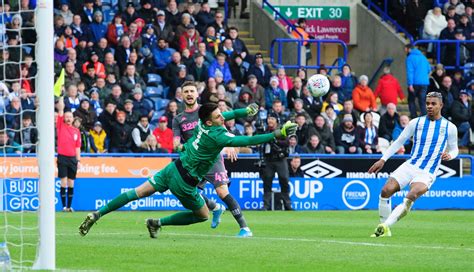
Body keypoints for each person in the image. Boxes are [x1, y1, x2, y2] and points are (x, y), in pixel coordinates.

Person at [79, 99, 297, 238]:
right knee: (202, 215)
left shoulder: (203, 123)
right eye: (219, 116)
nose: (223, 117)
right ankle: (157, 223)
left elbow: (225, 116)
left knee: (136, 192)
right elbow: (250, 140)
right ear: (211, 122)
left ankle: (97, 214)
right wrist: (278, 134)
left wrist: (243, 111)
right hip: (185, 183)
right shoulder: (218, 135)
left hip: (173, 168)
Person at [171, 81, 257, 236]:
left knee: (222, 191)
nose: (189, 94)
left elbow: (222, 125)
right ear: (181, 95)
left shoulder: (206, 111)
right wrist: (181, 147)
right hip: (194, 161)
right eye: (186, 92)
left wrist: (230, 144)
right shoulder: (178, 119)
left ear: (197, 94)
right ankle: (215, 207)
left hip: (212, 159)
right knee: (187, 192)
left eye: (192, 91)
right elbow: (176, 143)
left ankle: (244, 228)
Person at [369, 92, 458, 237]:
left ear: (441, 105)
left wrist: (450, 155)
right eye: (427, 103)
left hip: (428, 171)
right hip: (410, 165)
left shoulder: (450, 127)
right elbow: (399, 141)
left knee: (411, 195)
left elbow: (455, 149)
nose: (429, 106)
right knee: (385, 191)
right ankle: (385, 229)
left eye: (433, 104)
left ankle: (384, 226)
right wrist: (383, 159)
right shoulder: (416, 122)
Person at [56, 97, 81, 212]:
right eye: (66, 117)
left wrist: (78, 160)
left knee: (71, 183)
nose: (68, 118)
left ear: (73, 118)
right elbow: (60, 109)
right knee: (64, 181)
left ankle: (69, 206)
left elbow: (77, 147)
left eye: (70, 117)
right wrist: (61, 97)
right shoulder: (60, 126)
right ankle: (63, 206)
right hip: (62, 158)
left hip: (72, 159)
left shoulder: (76, 131)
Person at [405, 44, 431, 118]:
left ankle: (413, 116)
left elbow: (410, 71)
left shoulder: (410, 58)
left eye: (406, 49)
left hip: (415, 83)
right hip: (424, 83)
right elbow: (429, 69)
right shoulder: (423, 57)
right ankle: (424, 116)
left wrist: (410, 84)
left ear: (409, 49)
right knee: (422, 101)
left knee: (411, 100)